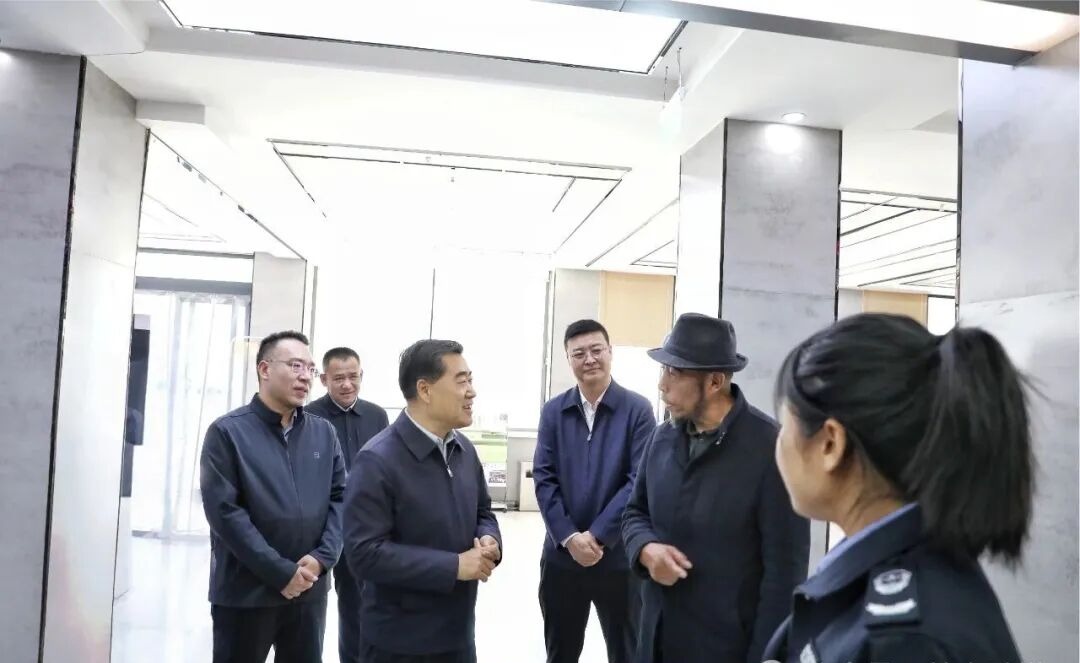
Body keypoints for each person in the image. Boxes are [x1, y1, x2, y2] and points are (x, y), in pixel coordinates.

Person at [762, 313, 1032, 662]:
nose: (779, 444)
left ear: (830, 444)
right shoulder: (901, 578)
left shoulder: (903, 641)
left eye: (785, 426)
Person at [622, 313, 810, 663]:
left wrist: (767, 657)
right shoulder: (661, 439)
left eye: (674, 372)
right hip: (656, 641)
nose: (662, 384)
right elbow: (635, 512)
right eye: (663, 370)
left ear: (715, 382)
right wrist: (645, 549)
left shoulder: (771, 450)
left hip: (723, 648)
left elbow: (784, 576)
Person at [343, 339, 502, 663]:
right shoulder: (378, 460)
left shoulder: (464, 450)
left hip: (457, 635)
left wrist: (489, 538)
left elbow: (483, 511)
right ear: (425, 390)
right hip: (400, 644)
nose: (471, 392)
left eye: (470, 380)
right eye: (462, 381)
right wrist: (454, 566)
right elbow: (364, 554)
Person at [200, 330, 346, 663]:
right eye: (295, 365)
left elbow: (342, 499)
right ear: (265, 369)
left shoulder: (323, 433)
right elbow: (225, 514)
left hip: (309, 591)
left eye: (310, 368)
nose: (305, 376)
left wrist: (323, 558)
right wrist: (281, 573)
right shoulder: (227, 432)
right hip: (246, 593)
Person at [533, 319, 656, 663]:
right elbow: (544, 477)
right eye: (579, 353)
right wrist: (570, 537)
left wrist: (599, 536)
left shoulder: (638, 410)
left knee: (627, 651)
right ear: (568, 359)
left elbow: (638, 480)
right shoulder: (553, 412)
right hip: (562, 557)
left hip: (618, 559)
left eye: (596, 350)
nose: (589, 359)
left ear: (610, 352)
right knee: (560, 651)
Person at [305, 346, 389, 663]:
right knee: (312, 606)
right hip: (324, 525)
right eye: (338, 378)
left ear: (361, 376)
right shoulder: (308, 415)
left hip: (366, 525)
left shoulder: (377, 415)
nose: (347, 384)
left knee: (359, 603)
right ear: (324, 379)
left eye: (353, 376)